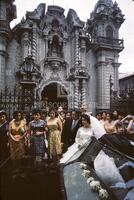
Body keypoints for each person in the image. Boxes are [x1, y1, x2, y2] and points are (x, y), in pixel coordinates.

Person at [60, 114, 124, 186]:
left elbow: (96, 139)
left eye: (85, 120)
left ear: (88, 120)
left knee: (95, 162)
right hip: (80, 147)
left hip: (90, 148)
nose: (83, 121)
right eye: (82, 120)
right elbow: (77, 138)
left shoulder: (92, 129)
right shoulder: (80, 129)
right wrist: (79, 143)